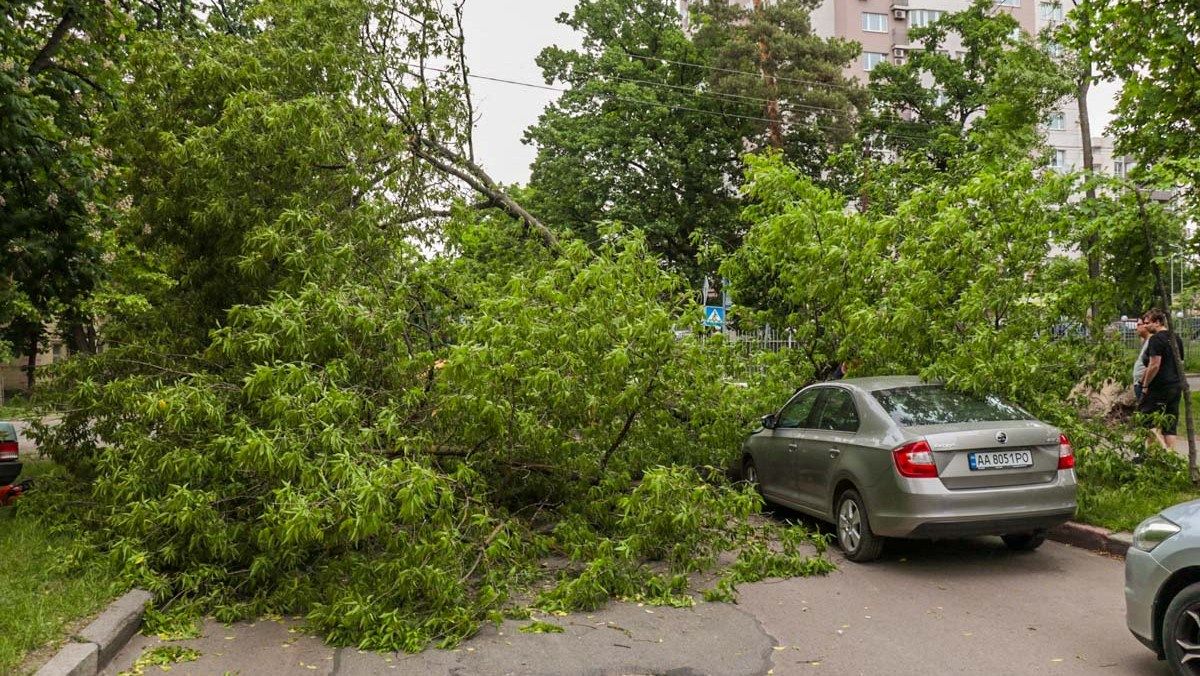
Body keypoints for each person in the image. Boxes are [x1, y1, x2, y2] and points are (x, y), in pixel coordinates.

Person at [1139, 308, 1186, 450]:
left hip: (1159, 386)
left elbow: (1154, 365)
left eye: (1148, 323)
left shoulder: (1156, 339)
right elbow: (1181, 362)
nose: (1145, 326)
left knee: (1147, 421)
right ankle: (1171, 457)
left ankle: (1164, 451)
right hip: (1175, 386)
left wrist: (1145, 385)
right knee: (1169, 424)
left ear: (1158, 322)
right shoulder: (1175, 337)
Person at [1133, 317, 1152, 401]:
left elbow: (1151, 364)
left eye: (1138, 325)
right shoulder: (1146, 341)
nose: (1136, 327)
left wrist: (1142, 382)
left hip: (1143, 384)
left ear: (1145, 325)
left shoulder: (1151, 342)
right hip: (1140, 383)